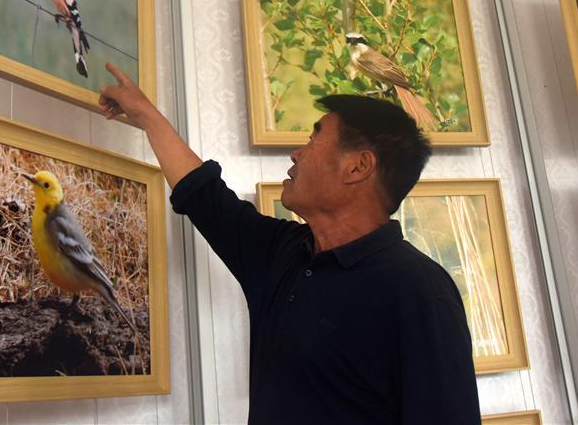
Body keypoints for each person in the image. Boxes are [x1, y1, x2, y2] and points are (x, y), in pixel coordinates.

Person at [98, 62, 481, 424]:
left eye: (314, 137)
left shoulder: (419, 292)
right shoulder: (285, 253)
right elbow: (205, 197)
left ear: (358, 166)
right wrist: (144, 113)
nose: (297, 153)